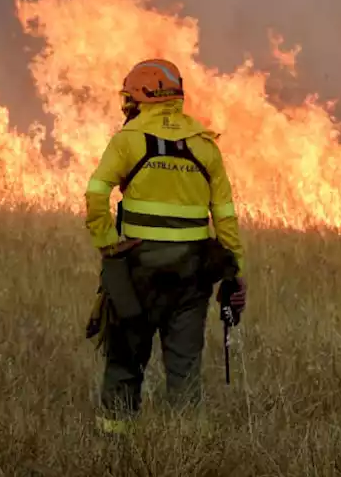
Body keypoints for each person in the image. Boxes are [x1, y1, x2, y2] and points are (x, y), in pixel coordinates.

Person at [84, 58, 247, 435]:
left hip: (135, 272)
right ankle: (186, 453)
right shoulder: (206, 146)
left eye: (130, 100)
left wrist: (109, 244)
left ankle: (115, 449)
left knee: (125, 363)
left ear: (141, 97)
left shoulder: (128, 140)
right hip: (191, 277)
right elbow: (225, 217)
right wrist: (233, 272)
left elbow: (96, 195)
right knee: (185, 370)